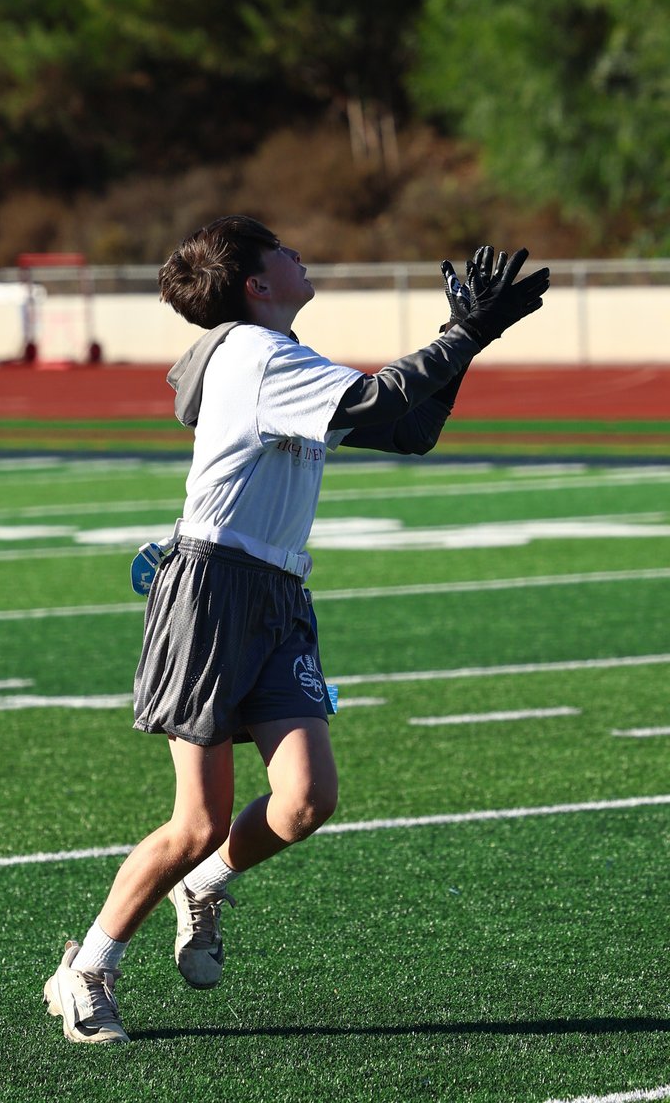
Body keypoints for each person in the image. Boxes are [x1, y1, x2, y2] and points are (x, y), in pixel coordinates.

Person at [43, 216, 549, 1043]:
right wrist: (467, 331)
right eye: (282, 249)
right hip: (208, 590)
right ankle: (87, 968)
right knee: (196, 819)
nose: (299, 254)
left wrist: (465, 343)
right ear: (254, 281)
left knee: (307, 799)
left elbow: (410, 428)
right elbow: (381, 397)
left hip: (276, 592)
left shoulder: (283, 359)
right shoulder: (251, 353)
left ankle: (202, 885)